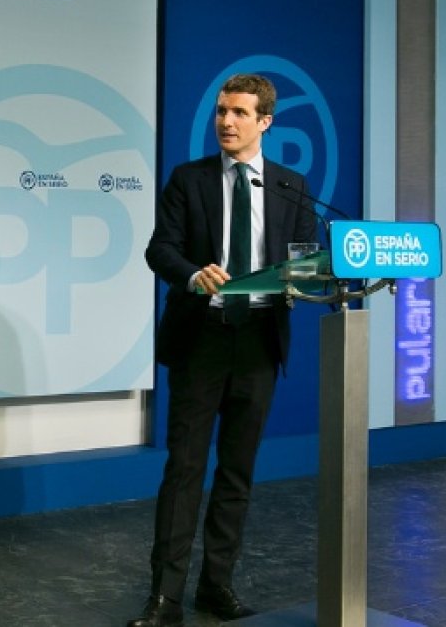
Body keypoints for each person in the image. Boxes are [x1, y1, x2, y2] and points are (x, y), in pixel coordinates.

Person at [129, 73, 318, 627]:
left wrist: (300, 279)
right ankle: (164, 598)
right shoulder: (189, 180)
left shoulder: (291, 186)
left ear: (265, 122)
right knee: (185, 470)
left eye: (239, 113)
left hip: (259, 340)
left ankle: (217, 587)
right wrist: (192, 275)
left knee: (237, 473)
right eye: (221, 112)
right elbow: (159, 249)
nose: (226, 123)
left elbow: (307, 258)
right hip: (202, 342)